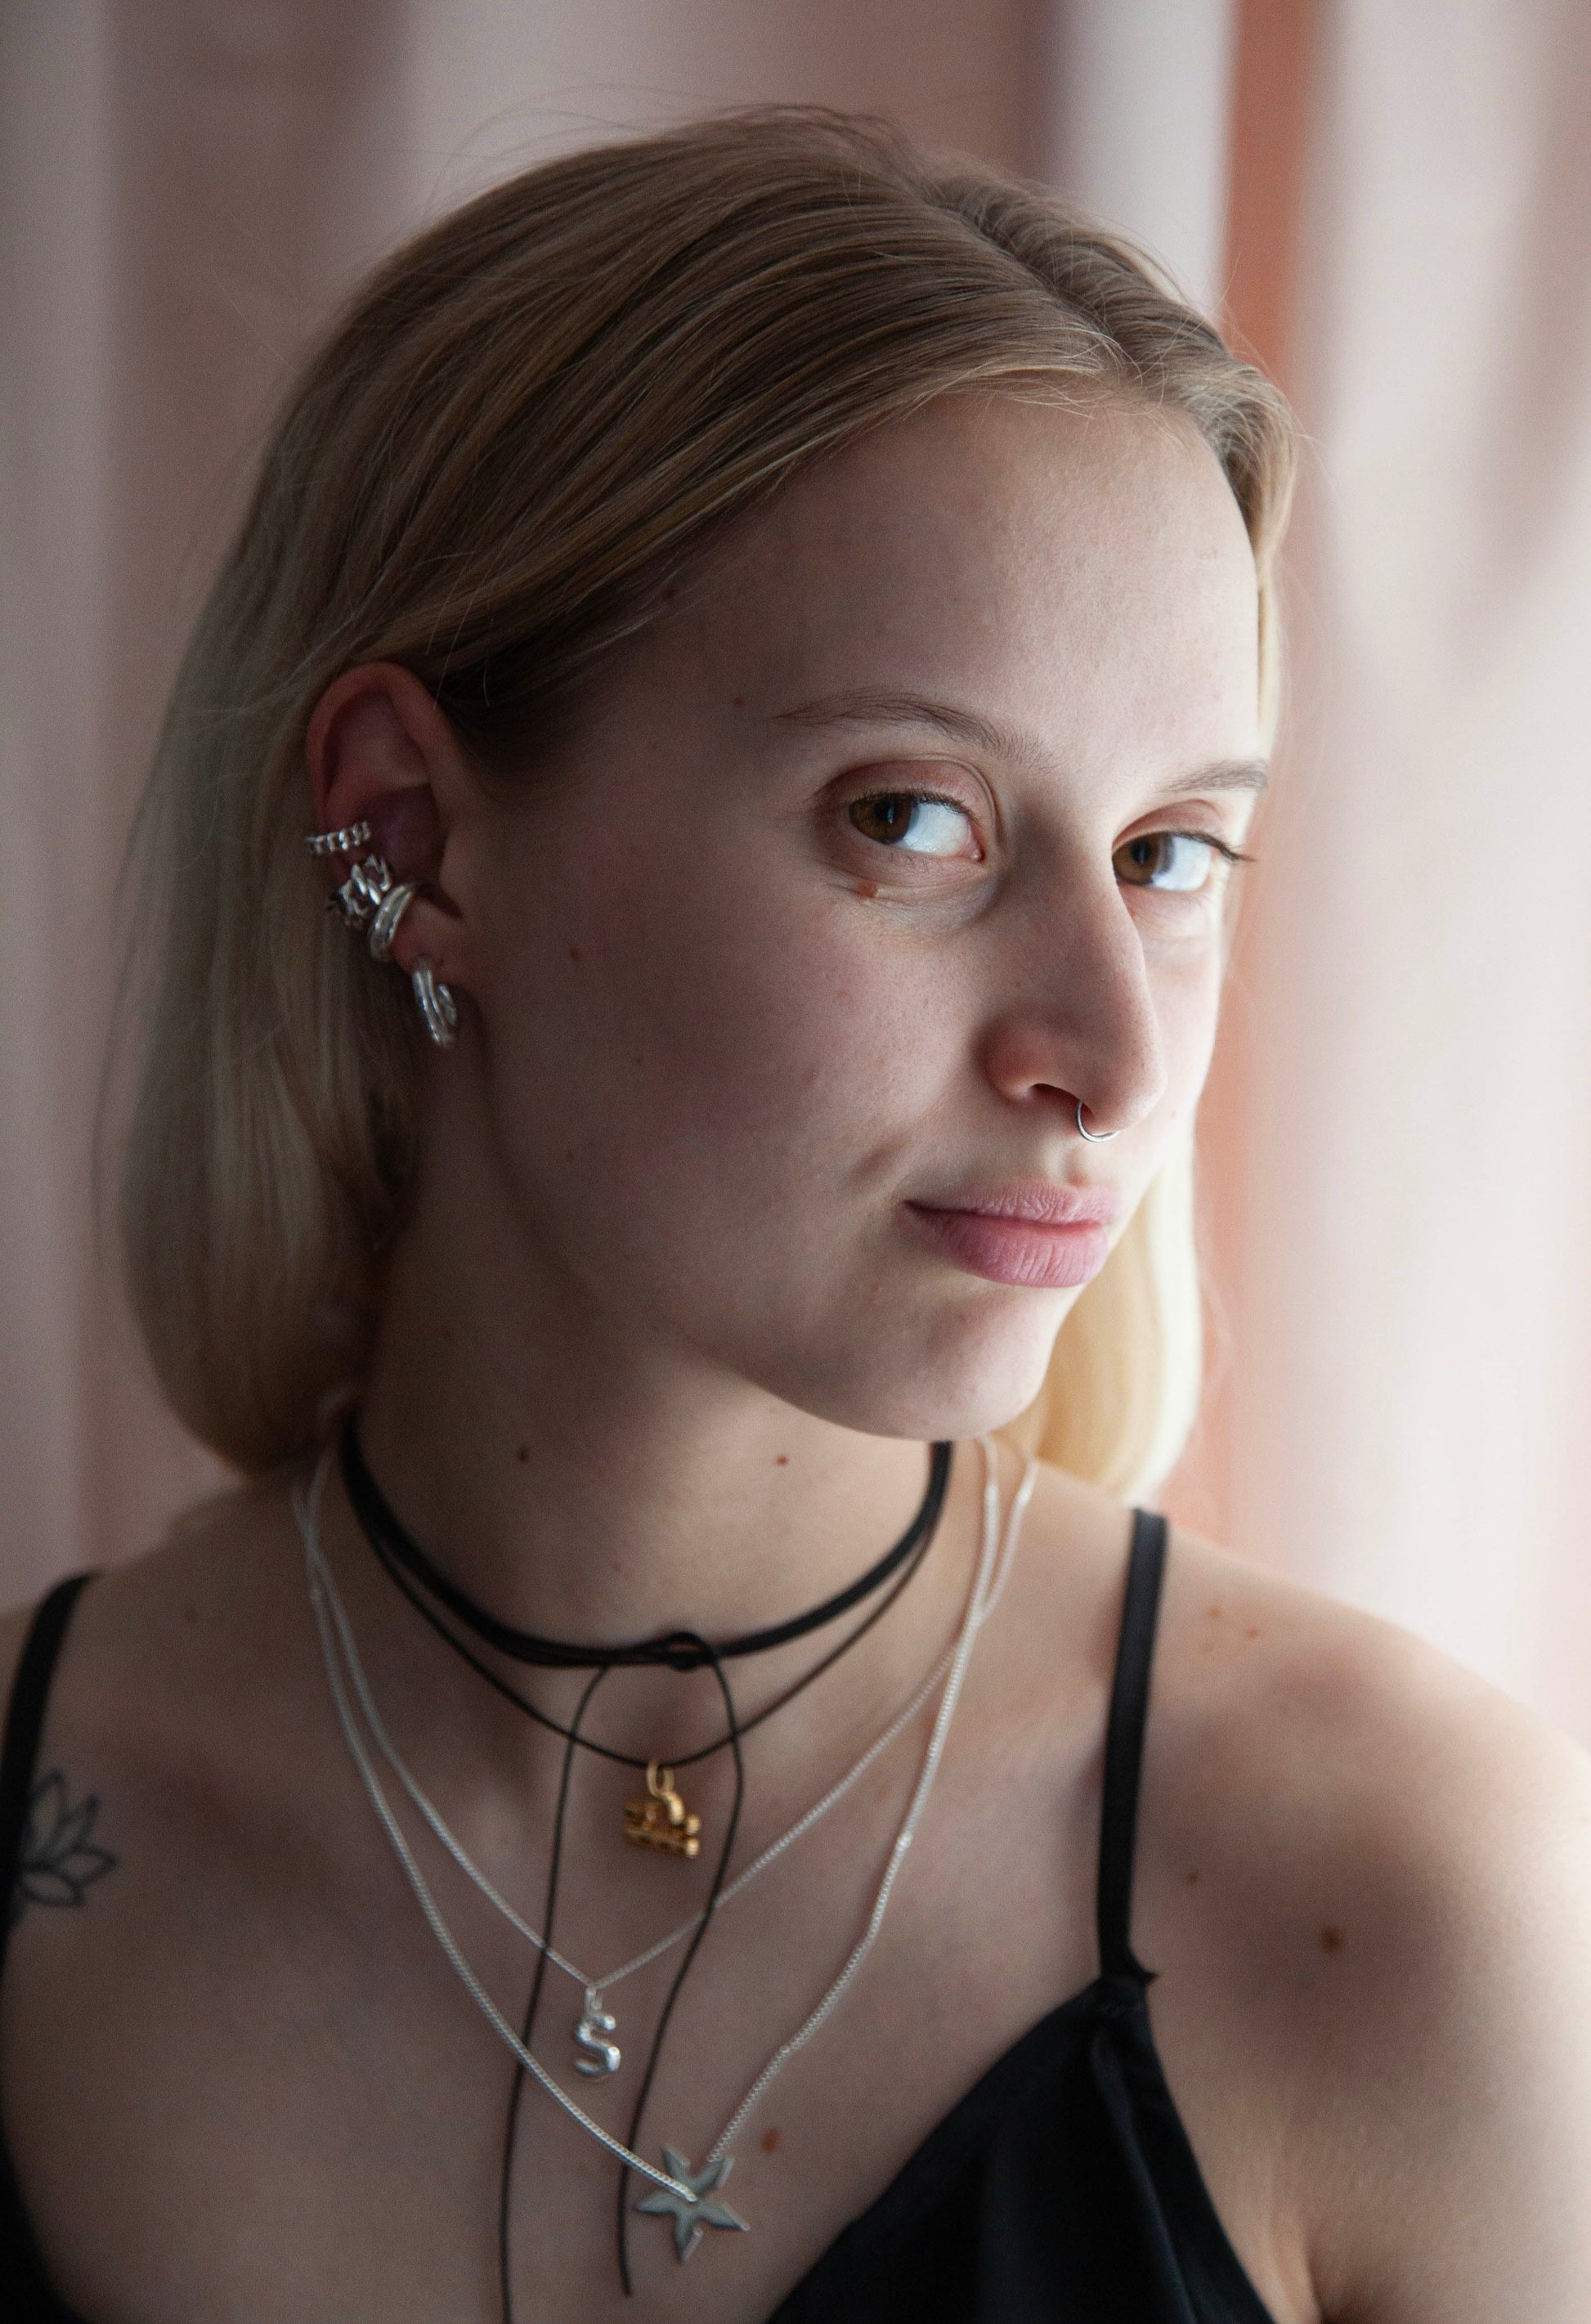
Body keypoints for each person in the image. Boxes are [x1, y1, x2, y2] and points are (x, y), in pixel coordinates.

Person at [2, 108, 1587, 2324]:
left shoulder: (1404, 1889)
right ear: (412, 839)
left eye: (1169, 855)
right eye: (913, 818)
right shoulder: (42, 1830)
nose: (1115, 1056)